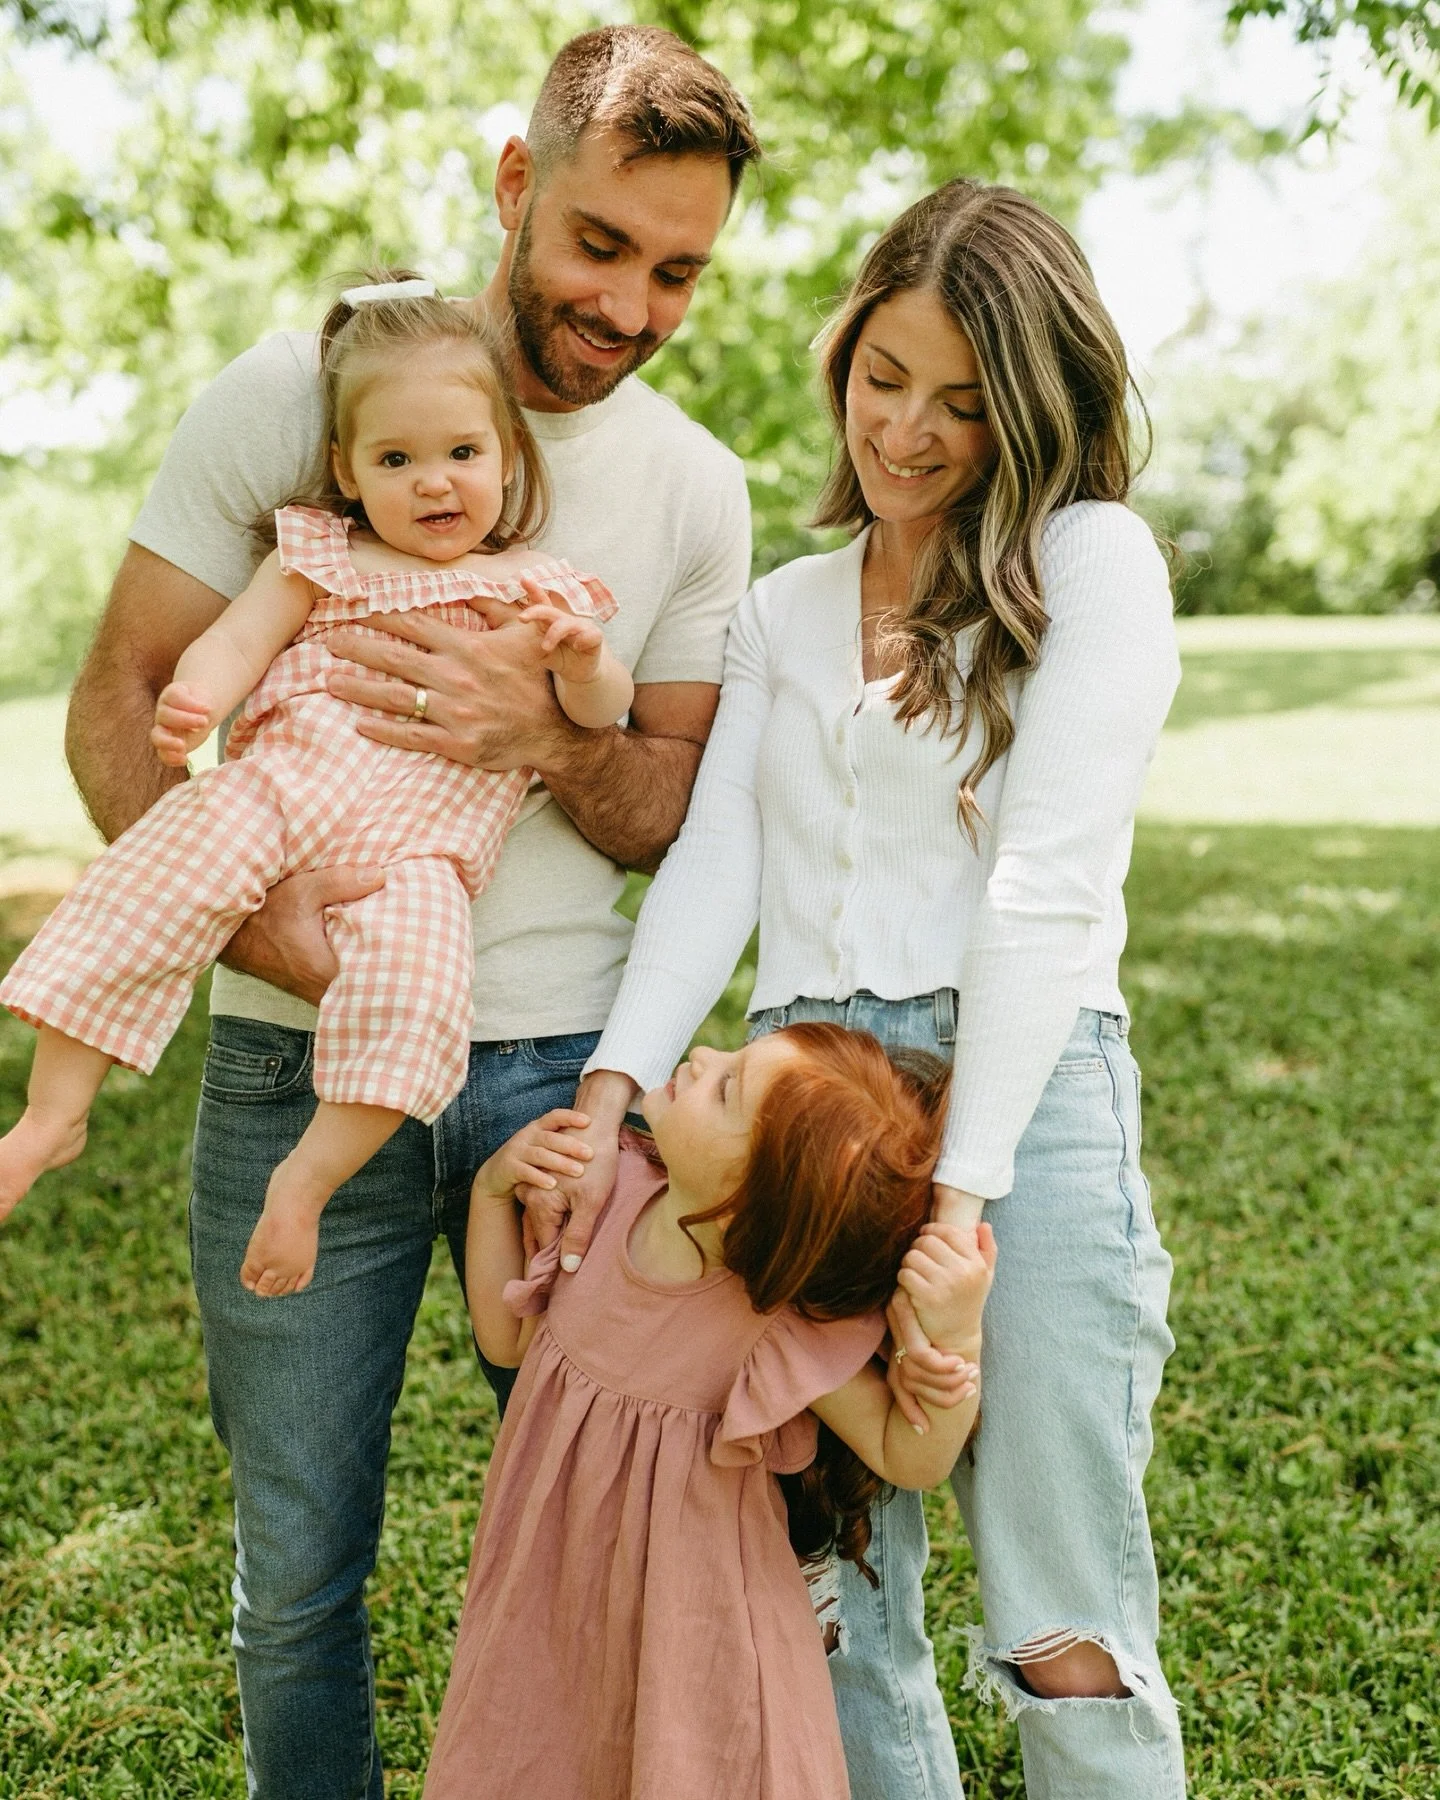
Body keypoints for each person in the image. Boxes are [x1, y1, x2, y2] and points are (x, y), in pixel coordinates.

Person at [58, 26, 759, 1797]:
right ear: (516, 188)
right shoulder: (287, 401)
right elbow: (118, 702)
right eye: (603, 245)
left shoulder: (693, 486)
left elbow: (675, 806)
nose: (633, 305)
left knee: (615, 1541)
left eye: (679, 271)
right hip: (299, 1070)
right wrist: (285, 943)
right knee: (297, 1573)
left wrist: (546, 733)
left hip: (564, 1083)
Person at [552, 181, 1186, 1799]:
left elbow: (1049, 888)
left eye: (965, 402)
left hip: (1019, 1103)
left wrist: (960, 1209)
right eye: (883, 376)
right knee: (830, 1608)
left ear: (1035, 406)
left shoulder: (1090, 566)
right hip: (794, 1106)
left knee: (1062, 1622)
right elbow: (715, 868)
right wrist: (615, 1092)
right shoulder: (781, 606)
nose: (908, 429)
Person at [0, 277, 633, 1296]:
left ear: (508, 458)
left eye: (462, 454)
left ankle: (308, 1178)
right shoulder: (319, 554)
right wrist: (196, 699)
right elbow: (238, 639)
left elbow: (604, 712)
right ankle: (49, 1114)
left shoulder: (536, 588)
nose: (434, 483)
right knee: (154, 875)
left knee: (421, 985)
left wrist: (583, 661)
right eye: (397, 459)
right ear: (346, 468)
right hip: (285, 788)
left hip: (421, 854)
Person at [425, 1024, 995, 1800]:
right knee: (544, 1753)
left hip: (697, 1632)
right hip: (549, 1599)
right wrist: (493, 1189)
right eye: (732, 1059)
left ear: (753, 1198)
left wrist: (956, 1336)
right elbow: (505, 1339)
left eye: (727, 1088)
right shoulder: (603, 1197)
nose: (705, 1057)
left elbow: (911, 1456)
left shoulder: (770, 1326)